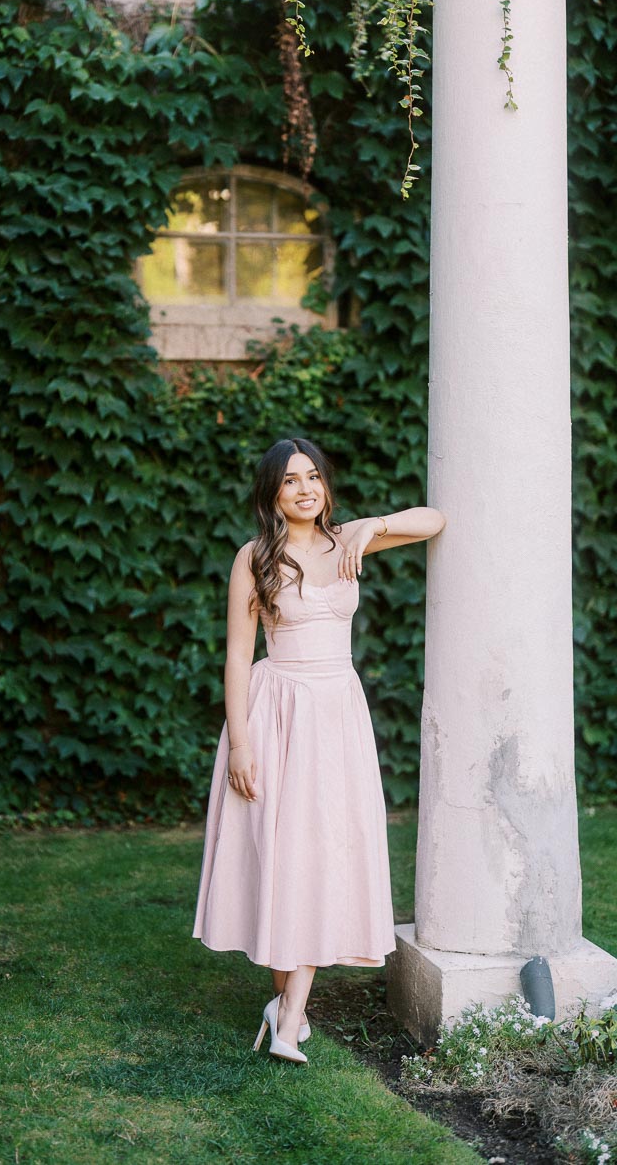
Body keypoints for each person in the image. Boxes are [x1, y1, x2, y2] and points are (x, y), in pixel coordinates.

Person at [191, 436, 447, 1064]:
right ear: (272, 494)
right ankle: (285, 1008)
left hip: (337, 714)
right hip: (276, 709)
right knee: (282, 850)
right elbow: (235, 654)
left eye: (313, 477)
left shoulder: (350, 540)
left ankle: (289, 1017)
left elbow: (436, 520)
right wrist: (242, 743)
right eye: (290, 481)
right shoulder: (253, 558)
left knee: (320, 850)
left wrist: (373, 528)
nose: (305, 489)